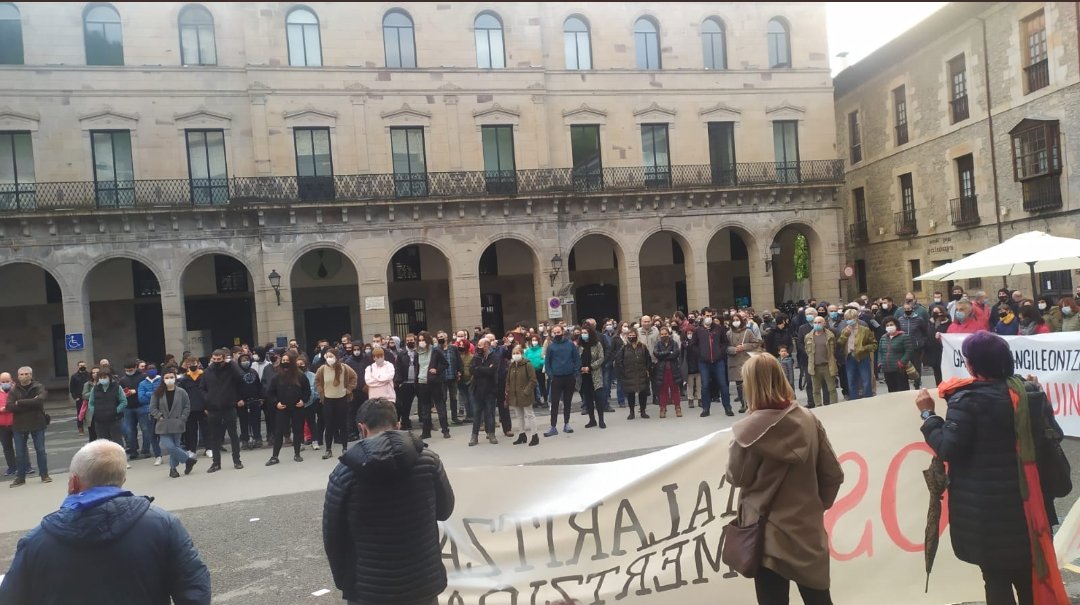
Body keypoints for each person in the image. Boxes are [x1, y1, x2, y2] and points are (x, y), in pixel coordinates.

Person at [917, 331, 1069, 605]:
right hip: (1030, 510)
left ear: (973, 365)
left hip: (987, 514)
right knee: (1027, 577)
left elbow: (948, 448)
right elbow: (1053, 434)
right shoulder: (1030, 394)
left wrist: (928, 416)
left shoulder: (967, 400)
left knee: (996, 579)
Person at [0, 440, 211, 604]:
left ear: (73, 482)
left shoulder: (37, 540)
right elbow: (195, 590)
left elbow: (11, 598)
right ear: (122, 480)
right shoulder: (163, 525)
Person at [726, 354, 844, 605]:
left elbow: (736, 477)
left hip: (767, 535)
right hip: (806, 530)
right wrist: (814, 506)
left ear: (751, 386)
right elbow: (833, 474)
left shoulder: (747, 431)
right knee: (819, 599)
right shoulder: (808, 419)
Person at [322, 399, 454, 605]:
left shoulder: (345, 473)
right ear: (398, 425)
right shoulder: (429, 461)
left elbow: (333, 535)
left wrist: (346, 582)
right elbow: (445, 510)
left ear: (362, 428)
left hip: (369, 588)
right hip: (422, 582)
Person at [201, 349, 246, 472]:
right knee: (215, 437)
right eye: (214, 359)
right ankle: (216, 463)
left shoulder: (230, 369)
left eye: (219, 359)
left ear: (224, 359)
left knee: (233, 435)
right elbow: (202, 389)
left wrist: (231, 362)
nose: (216, 361)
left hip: (229, 406)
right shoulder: (207, 372)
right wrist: (207, 401)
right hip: (213, 408)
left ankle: (237, 461)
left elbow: (241, 376)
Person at [149, 369, 198, 478]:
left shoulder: (181, 392)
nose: (169, 380)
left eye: (171, 377)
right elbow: (152, 408)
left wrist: (183, 418)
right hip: (163, 424)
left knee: (175, 446)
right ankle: (188, 459)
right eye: (166, 377)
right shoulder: (158, 392)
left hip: (177, 423)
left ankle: (173, 469)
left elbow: (187, 406)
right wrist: (159, 416)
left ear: (175, 378)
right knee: (170, 446)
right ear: (163, 379)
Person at [266, 352, 312, 465]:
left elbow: (307, 391)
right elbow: (270, 393)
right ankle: (274, 456)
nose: (285, 362)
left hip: (297, 408)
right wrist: (276, 403)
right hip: (282, 408)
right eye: (283, 360)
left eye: (287, 360)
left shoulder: (300, 376)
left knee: (297, 431)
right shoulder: (277, 376)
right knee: (279, 432)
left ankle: (297, 454)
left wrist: (303, 400)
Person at [6, 366, 49, 487]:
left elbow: (40, 401)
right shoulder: (13, 390)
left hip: (37, 422)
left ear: (31, 375)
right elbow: (9, 406)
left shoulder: (38, 386)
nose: (24, 376)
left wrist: (19, 402)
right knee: (20, 453)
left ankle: (44, 474)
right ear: (18, 376)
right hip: (19, 424)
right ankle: (20, 477)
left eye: (26, 374)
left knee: (40, 450)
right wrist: (31, 402)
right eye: (21, 374)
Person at [317, 348, 358, 460]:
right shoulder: (322, 369)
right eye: (327, 356)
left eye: (331, 356)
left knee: (343, 424)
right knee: (329, 425)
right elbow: (317, 381)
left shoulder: (344, 368)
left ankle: (344, 448)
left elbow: (354, 377)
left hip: (341, 399)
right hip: (328, 400)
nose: (329, 359)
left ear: (336, 357)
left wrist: (348, 389)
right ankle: (328, 450)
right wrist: (321, 391)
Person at [691, 308, 733, 417]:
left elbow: (725, 342)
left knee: (723, 385)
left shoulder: (719, 328)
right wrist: (700, 354)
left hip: (718, 361)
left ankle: (727, 407)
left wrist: (720, 352)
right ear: (702, 316)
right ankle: (706, 408)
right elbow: (693, 345)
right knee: (705, 385)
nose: (709, 318)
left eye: (710, 316)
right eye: (707, 315)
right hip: (704, 362)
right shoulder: (698, 330)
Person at [544, 325, 580, 436]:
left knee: (567, 402)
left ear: (563, 332)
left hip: (569, 376)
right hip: (556, 378)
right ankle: (553, 426)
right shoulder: (551, 346)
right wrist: (551, 375)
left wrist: (575, 372)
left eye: (559, 331)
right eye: (555, 332)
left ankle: (566, 424)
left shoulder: (570, 345)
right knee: (554, 402)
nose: (557, 334)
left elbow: (577, 359)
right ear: (553, 333)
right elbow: (547, 362)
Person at [414, 331, 451, 440]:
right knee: (425, 409)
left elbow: (445, 364)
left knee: (440, 407)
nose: (421, 342)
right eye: (419, 340)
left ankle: (445, 430)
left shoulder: (435, 350)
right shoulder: (417, 353)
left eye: (423, 340)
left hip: (434, 383)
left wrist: (437, 370)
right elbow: (417, 367)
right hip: (422, 382)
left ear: (427, 340)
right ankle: (426, 432)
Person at [837, 308, 877, 400]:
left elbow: (874, 344)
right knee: (851, 381)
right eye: (847, 319)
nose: (849, 321)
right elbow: (840, 343)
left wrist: (864, 348)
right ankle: (854, 400)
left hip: (863, 357)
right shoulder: (845, 329)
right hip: (850, 357)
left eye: (850, 318)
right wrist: (844, 335)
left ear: (856, 317)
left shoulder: (865, 330)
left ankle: (868, 399)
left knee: (866, 381)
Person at [469, 337, 502, 446]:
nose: (479, 347)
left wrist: (480, 369)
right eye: (478, 345)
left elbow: (492, 371)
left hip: (490, 389)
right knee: (477, 414)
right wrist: (484, 369)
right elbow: (472, 370)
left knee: (490, 413)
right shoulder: (476, 357)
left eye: (481, 345)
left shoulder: (494, 357)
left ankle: (491, 434)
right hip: (477, 389)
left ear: (487, 346)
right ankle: (474, 436)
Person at [727, 313, 761, 414]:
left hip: (746, 360)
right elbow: (725, 347)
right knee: (739, 384)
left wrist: (745, 346)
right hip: (735, 361)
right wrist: (734, 349)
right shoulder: (729, 333)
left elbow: (756, 343)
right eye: (734, 320)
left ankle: (751, 403)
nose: (735, 321)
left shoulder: (748, 331)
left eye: (737, 319)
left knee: (748, 383)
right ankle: (743, 404)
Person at [505, 345, 539, 445]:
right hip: (514, 394)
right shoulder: (511, 366)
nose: (516, 355)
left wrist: (526, 391)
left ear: (522, 354)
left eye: (517, 353)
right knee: (519, 416)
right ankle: (522, 434)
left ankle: (534, 435)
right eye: (514, 353)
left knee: (529, 415)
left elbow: (533, 380)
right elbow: (508, 379)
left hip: (525, 394)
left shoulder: (527, 365)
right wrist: (508, 389)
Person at [804, 317, 837, 408]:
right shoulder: (808, 337)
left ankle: (835, 406)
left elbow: (833, 349)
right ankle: (818, 406)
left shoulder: (830, 335)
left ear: (824, 323)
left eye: (819, 322)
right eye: (815, 322)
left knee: (832, 389)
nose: (817, 324)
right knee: (816, 390)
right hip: (815, 367)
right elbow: (807, 351)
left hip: (827, 366)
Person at [178, 358, 208, 456]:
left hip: (204, 408)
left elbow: (209, 391)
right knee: (191, 431)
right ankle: (192, 450)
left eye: (194, 363)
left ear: (198, 364)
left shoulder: (204, 376)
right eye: (190, 364)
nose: (192, 365)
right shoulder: (184, 379)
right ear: (187, 365)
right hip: (190, 409)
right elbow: (181, 395)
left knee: (206, 429)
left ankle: (209, 448)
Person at [236, 352, 265, 450]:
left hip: (255, 401)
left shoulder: (253, 372)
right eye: (243, 360)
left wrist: (261, 397)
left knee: (256, 421)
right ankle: (245, 440)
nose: (246, 362)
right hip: (242, 402)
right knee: (244, 422)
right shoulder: (237, 373)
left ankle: (257, 438)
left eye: (247, 360)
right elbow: (233, 388)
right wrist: (238, 399)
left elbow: (259, 385)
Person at [136, 364, 164, 465]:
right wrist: (155, 394)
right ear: (146, 371)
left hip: (162, 410)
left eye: (153, 369)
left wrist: (149, 393)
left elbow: (163, 395)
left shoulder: (162, 380)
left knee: (164, 433)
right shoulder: (142, 383)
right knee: (152, 434)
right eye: (150, 369)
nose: (152, 370)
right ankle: (158, 455)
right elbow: (141, 398)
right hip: (148, 411)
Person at [653, 326, 683, 418]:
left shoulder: (674, 343)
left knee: (675, 390)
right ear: (659, 335)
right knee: (663, 390)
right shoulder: (658, 344)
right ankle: (662, 408)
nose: (664, 335)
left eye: (665, 334)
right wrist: (668, 353)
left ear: (669, 334)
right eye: (662, 334)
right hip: (662, 370)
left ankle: (678, 408)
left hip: (673, 370)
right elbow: (656, 354)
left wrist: (664, 355)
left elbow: (676, 353)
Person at [878, 317, 912, 393]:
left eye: (891, 324)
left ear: (896, 325)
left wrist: (902, 362)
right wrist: (880, 362)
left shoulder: (904, 336)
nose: (889, 326)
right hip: (887, 368)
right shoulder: (883, 337)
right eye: (887, 325)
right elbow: (880, 351)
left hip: (899, 369)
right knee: (892, 390)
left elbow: (909, 351)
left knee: (902, 390)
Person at [393, 334, 419, 430]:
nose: (409, 342)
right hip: (406, 382)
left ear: (415, 340)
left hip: (417, 381)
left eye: (411, 340)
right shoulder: (401, 354)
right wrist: (399, 381)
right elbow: (398, 368)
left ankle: (425, 423)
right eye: (407, 340)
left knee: (422, 404)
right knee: (406, 405)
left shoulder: (418, 352)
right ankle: (405, 422)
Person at [925, 308, 952, 385]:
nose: (935, 314)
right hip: (933, 351)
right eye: (934, 312)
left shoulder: (948, 323)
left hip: (943, 351)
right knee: (936, 371)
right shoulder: (930, 322)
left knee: (944, 370)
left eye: (937, 312)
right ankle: (938, 386)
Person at [69, 361, 90, 436]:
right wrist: (75, 397)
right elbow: (72, 388)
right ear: (78, 366)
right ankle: (80, 429)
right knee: (80, 414)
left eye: (83, 365)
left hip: (89, 397)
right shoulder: (74, 376)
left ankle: (91, 428)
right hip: (80, 398)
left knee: (90, 413)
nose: (82, 366)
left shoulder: (89, 375)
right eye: (81, 365)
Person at [0, 373, 14, 475]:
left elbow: (19, 404)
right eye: (3, 382)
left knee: (21, 446)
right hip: (2, 425)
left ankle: (26, 466)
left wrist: (7, 408)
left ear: (11, 380)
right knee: (7, 447)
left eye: (7, 381)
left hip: (16, 423)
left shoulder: (16, 390)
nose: (5, 383)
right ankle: (12, 467)